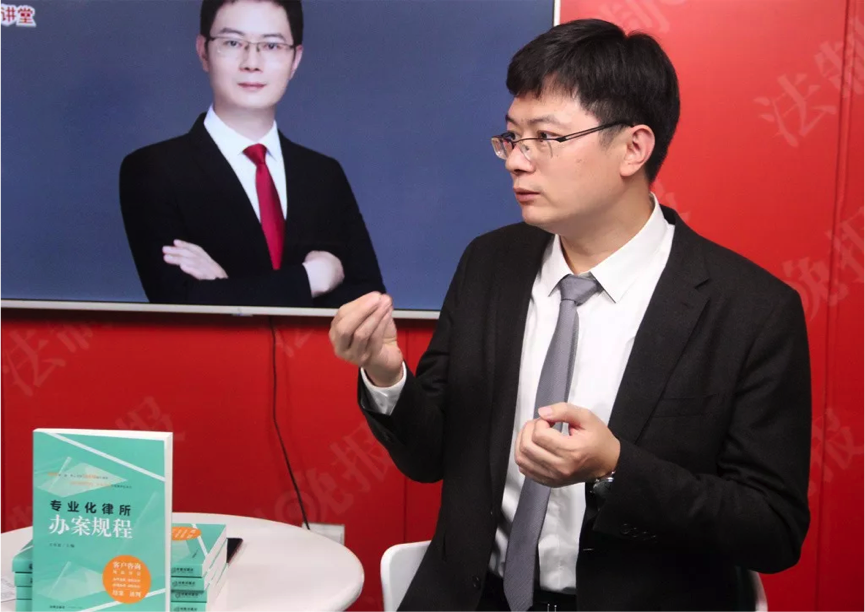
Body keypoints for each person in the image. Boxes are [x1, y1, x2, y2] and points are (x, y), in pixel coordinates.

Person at [329, 18, 811, 612]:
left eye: (546, 138)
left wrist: (616, 468)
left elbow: (771, 528)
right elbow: (429, 457)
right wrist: (386, 374)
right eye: (511, 138)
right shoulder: (489, 264)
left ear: (633, 147)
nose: (516, 161)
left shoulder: (749, 310)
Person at [119, 0, 385, 308]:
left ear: (295, 59)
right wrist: (313, 278)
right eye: (233, 42)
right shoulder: (154, 169)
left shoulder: (324, 175)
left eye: (271, 46)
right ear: (203, 51)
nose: (252, 62)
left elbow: (371, 304)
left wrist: (227, 288)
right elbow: (179, 300)